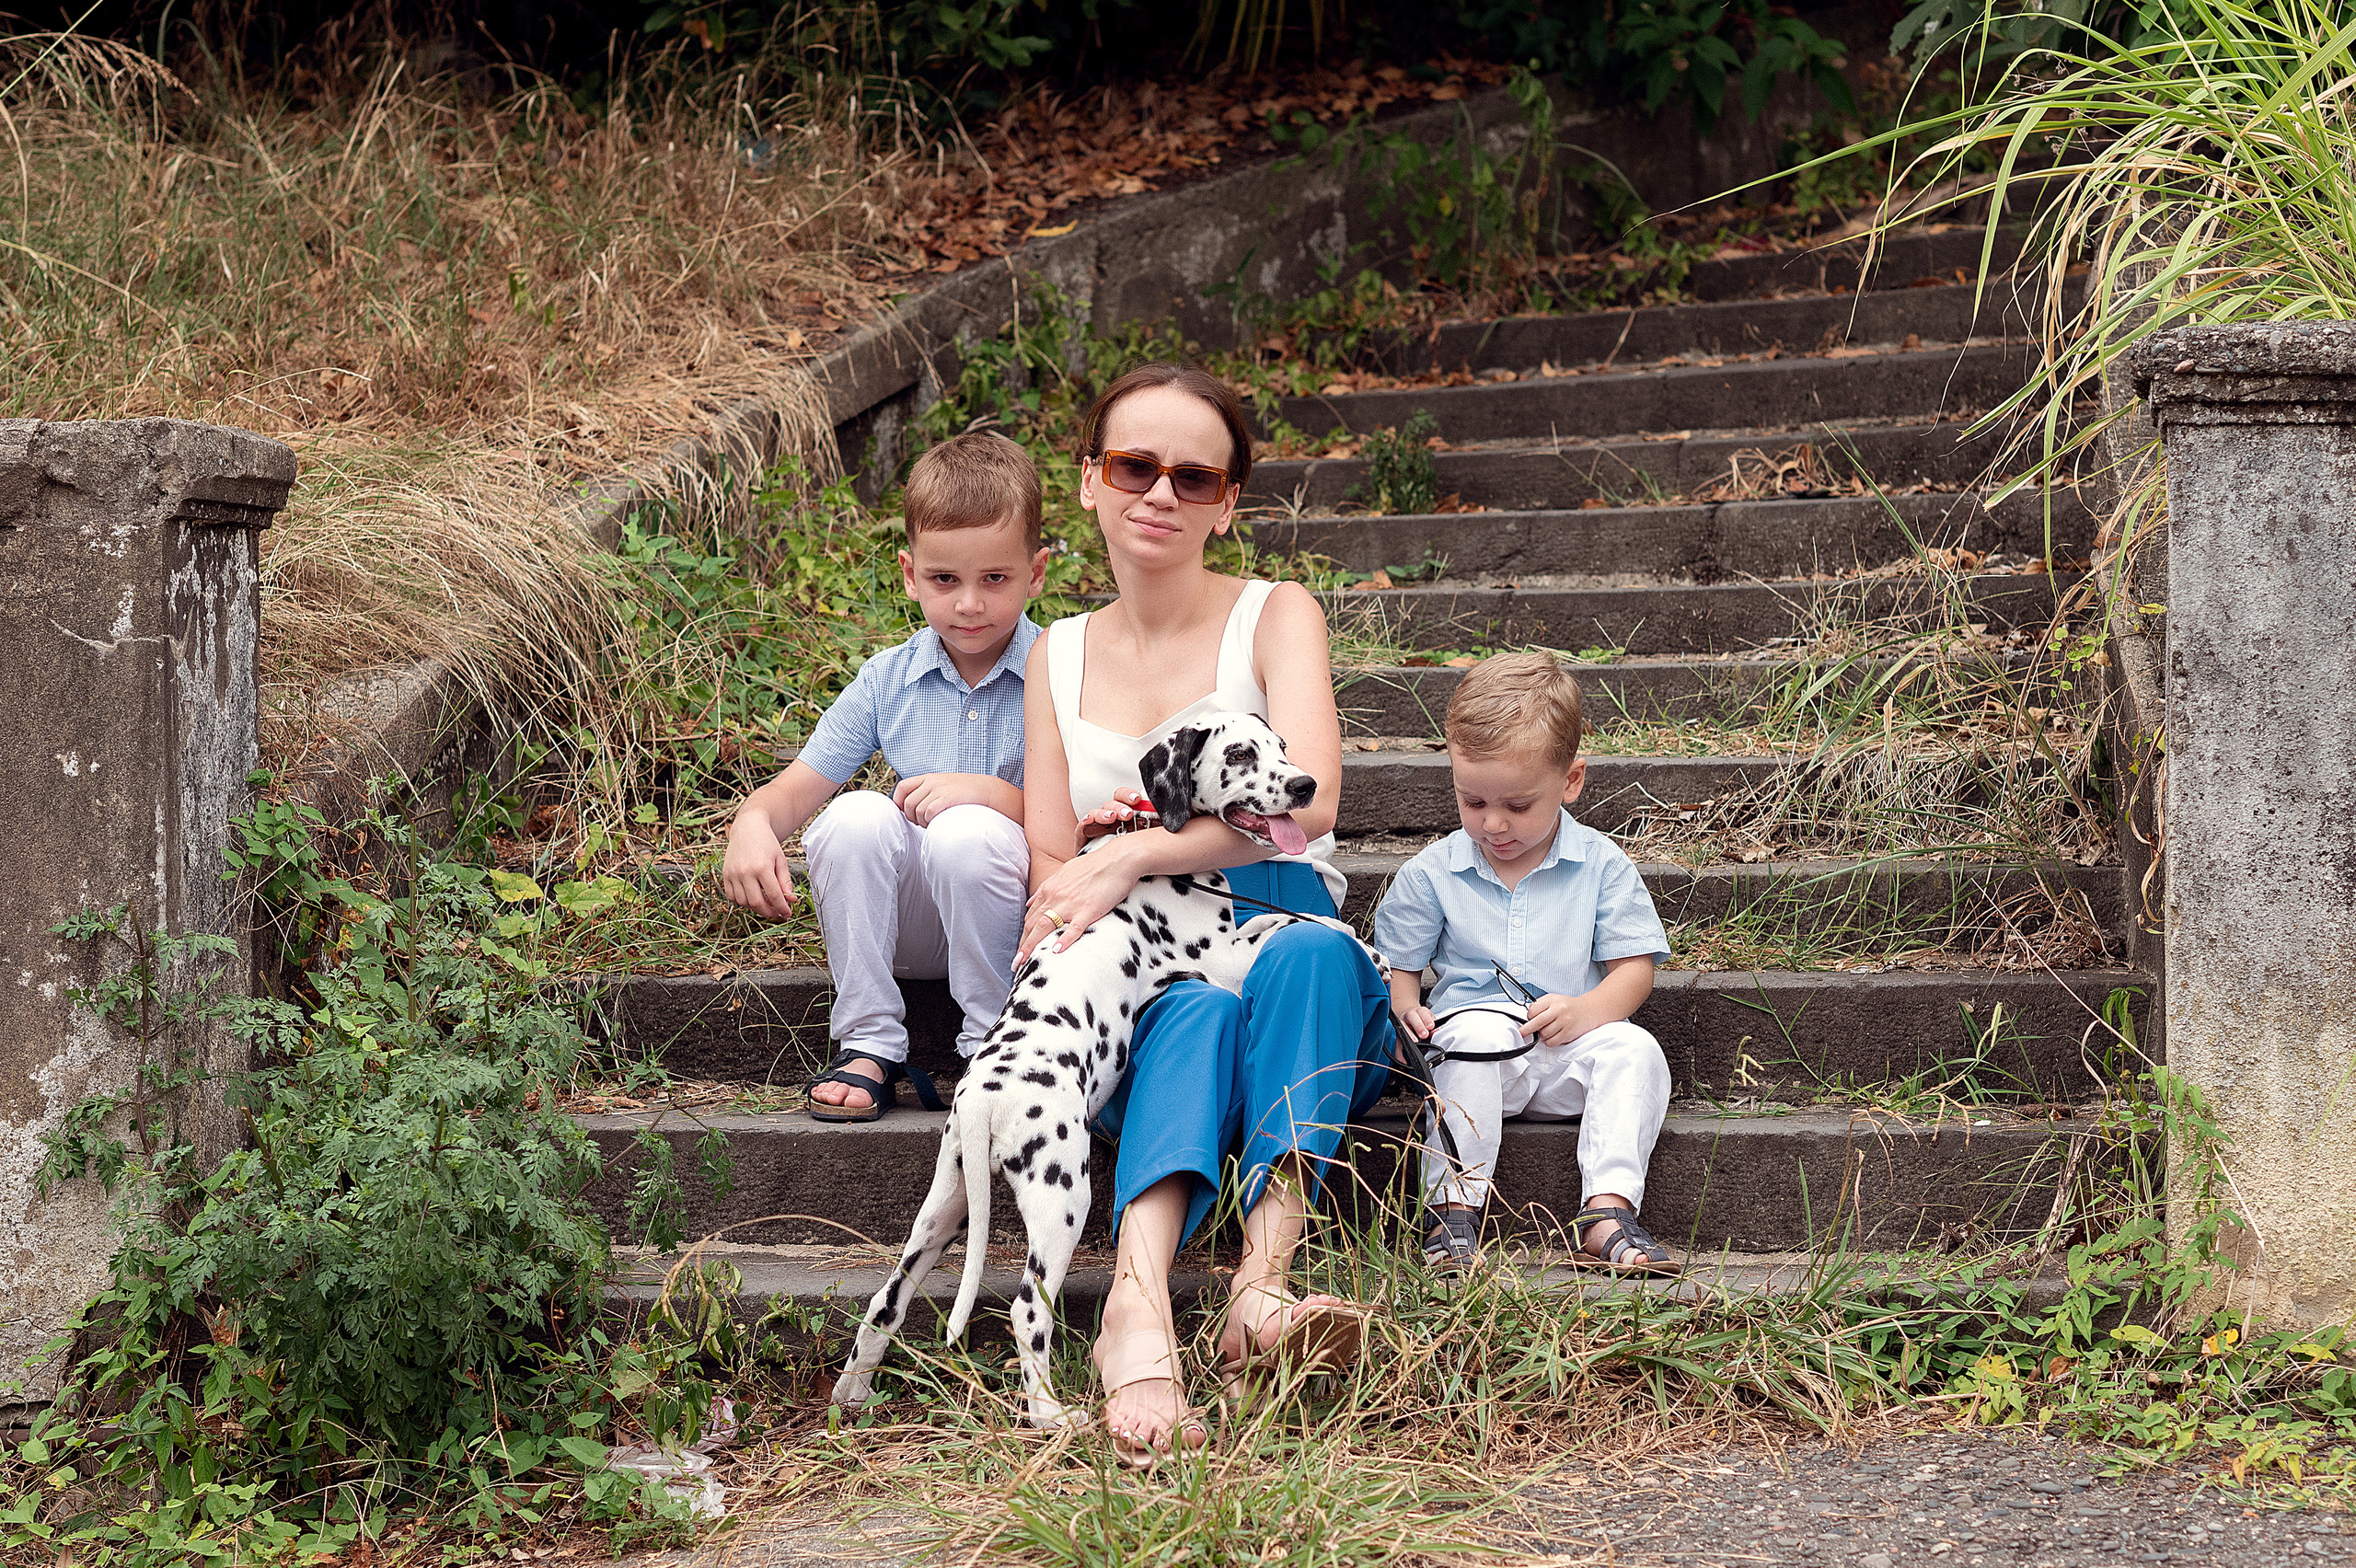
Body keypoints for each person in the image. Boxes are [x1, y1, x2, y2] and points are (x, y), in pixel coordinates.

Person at [1015, 363, 1393, 1467]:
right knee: (1188, 1012)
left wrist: (1132, 848)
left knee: (1310, 956)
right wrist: (1107, 891)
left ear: (1227, 501)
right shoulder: (1057, 652)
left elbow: (1312, 796)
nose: (1159, 495)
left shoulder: (1276, 617)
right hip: (1144, 972)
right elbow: (1050, 854)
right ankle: (1136, 1310)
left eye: (1194, 476)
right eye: (1134, 466)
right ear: (1089, 481)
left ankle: (1260, 1290)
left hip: (1296, 976)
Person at [722, 431, 1048, 1122]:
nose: (968, 604)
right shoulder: (888, 679)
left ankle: (995, 1044)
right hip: (916, 925)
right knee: (854, 816)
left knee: (966, 829)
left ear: (1036, 573)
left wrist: (992, 795)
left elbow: (1086, 821)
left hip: (1015, 918)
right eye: (944, 580)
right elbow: (795, 793)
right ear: (909, 574)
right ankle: (869, 1040)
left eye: (995, 579)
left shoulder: (1058, 670)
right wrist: (753, 822)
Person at [1371, 651, 1680, 1276]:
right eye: (1473, 800)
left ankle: (1607, 1212)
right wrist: (1408, 1010)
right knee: (1474, 1034)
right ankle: (1454, 1208)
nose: (1493, 822)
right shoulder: (1434, 872)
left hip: (1570, 1049)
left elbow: (1634, 970)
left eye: (1517, 804)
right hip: (1477, 1056)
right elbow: (1400, 968)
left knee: (1637, 1051)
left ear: (1571, 782)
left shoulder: (1601, 865)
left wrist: (1588, 1010)